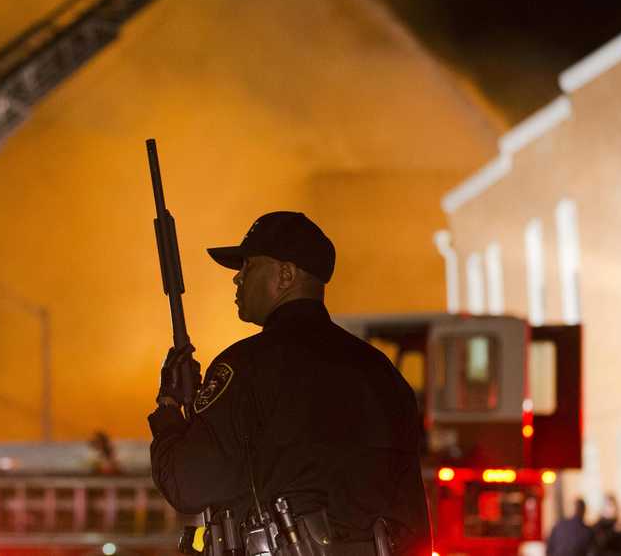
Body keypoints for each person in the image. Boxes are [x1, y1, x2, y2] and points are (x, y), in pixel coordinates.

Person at [148, 211, 431, 556]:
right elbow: (412, 511)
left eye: (248, 266)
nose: (237, 278)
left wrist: (169, 408)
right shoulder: (383, 374)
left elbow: (188, 485)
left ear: (285, 275)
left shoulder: (244, 367)